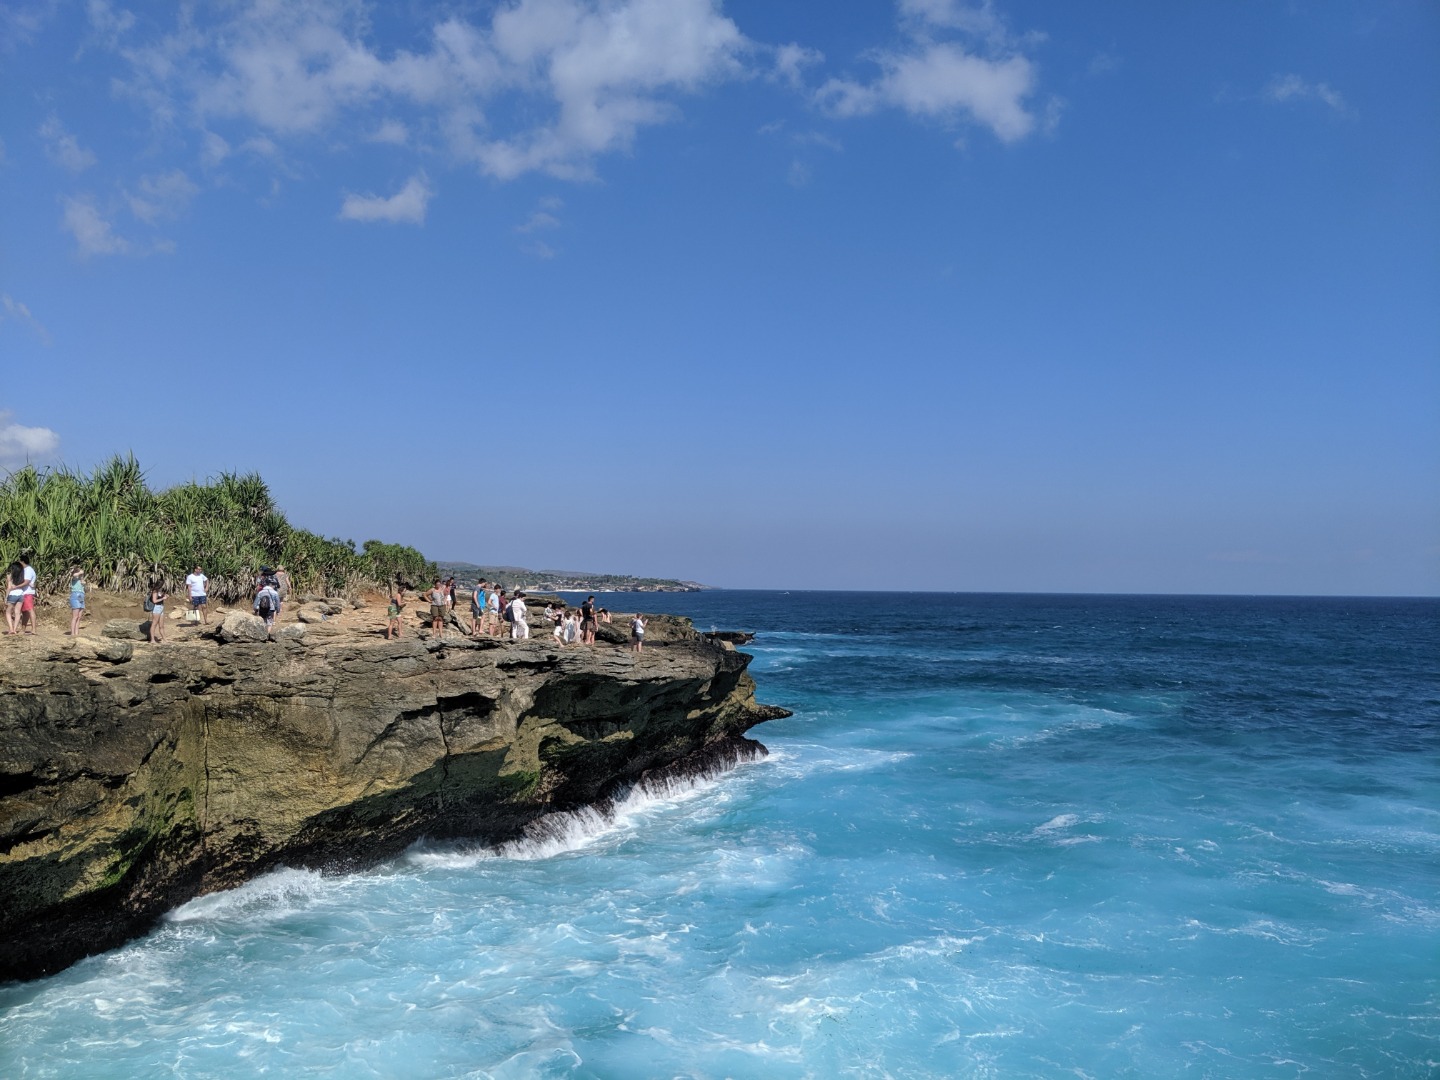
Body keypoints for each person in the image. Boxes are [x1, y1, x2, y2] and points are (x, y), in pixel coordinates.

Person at [18, 555, 37, 635]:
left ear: (22, 561)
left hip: (27, 593)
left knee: (30, 610)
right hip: (25, 592)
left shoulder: (28, 570)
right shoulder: (26, 570)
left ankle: (34, 629)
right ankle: (23, 629)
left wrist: (16, 586)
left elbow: (27, 581)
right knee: (25, 612)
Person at [5, 562, 23, 635]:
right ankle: (15, 629)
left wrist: (6, 597)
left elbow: (9, 588)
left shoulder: (10, 576)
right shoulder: (22, 576)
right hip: (21, 594)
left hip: (12, 595)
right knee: (17, 612)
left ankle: (11, 629)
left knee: (8, 612)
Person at [68, 568, 86, 637]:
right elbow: (73, 575)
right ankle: (72, 633)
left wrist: (83, 581)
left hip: (81, 597)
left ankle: (76, 633)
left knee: (79, 617)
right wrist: (80, 572)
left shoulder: (80, 580)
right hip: (75, 596)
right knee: (75, 616)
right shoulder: (74, 579)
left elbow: (84, 586)